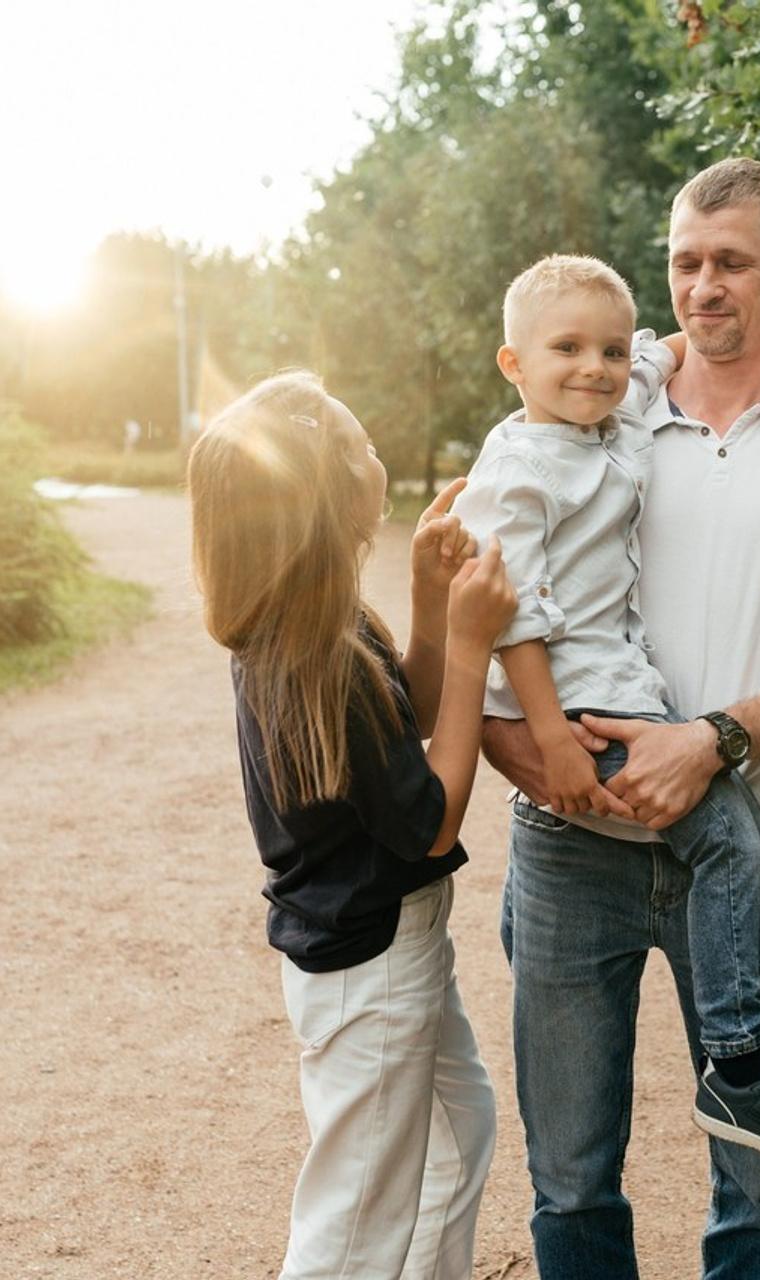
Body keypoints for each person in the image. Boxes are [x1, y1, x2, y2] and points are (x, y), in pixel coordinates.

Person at [482, 158, 760, 1278]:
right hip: (574, 843)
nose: (701, 287)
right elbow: (489, 591)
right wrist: (530, 753)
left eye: (731, 263)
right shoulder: (598, 408)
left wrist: (703, 741)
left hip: (753, 850)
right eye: (682, 263)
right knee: (568, 1176)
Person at [453, 252, 760, 1163]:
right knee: (731, 838)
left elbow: (651, 356)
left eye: (602, 349)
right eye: (565, 350)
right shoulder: (518, 464)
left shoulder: (612, 415)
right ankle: (742, 1061)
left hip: (618, 691)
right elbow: (511, 604)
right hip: (581, 709)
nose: (593, 367)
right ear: (513, 364)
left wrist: (747, 335)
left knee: (738, 838)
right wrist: (549, 736)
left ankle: (741, 1058)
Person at [187, 370, 517, 1279]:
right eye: (361, 444)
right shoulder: (314, 656)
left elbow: (405, 712)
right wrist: (477, 642)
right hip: (369, 969)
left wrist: (430, 594)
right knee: (356, 1223)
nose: (377, 450)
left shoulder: (316, 622)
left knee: (459, 1133)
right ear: (328, 492)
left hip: (390, 948)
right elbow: (430, 820)